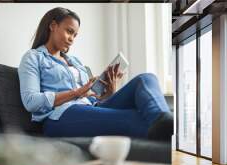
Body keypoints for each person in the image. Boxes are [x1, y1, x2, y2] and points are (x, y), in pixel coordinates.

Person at [18, 7, 173, 141]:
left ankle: (163, 119)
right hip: (59, 117)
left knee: (145, 79)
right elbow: (31, 101)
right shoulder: (33, 57)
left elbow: (92, 99)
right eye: (69, 32)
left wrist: (110, 92)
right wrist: (76, 92)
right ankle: (164, 126)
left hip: (91, 107)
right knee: (135, 117)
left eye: (75, 35)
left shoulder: (75, 62)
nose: (72, 39)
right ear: (53, 26)